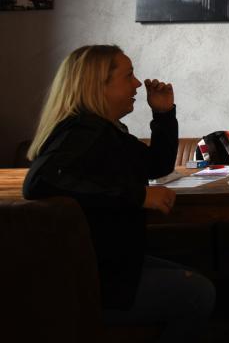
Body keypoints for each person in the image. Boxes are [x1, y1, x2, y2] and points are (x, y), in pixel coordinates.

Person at [22, 45, 215, 340]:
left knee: (200, 277)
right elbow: (40, 181)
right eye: (128, 76)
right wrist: (137, 196)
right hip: (93, 280)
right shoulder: (83, 130)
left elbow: (156, 165)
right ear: (98, 85)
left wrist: (163, 114)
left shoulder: (106, 130)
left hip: (104, 265)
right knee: (199, 293)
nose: (138, 84)